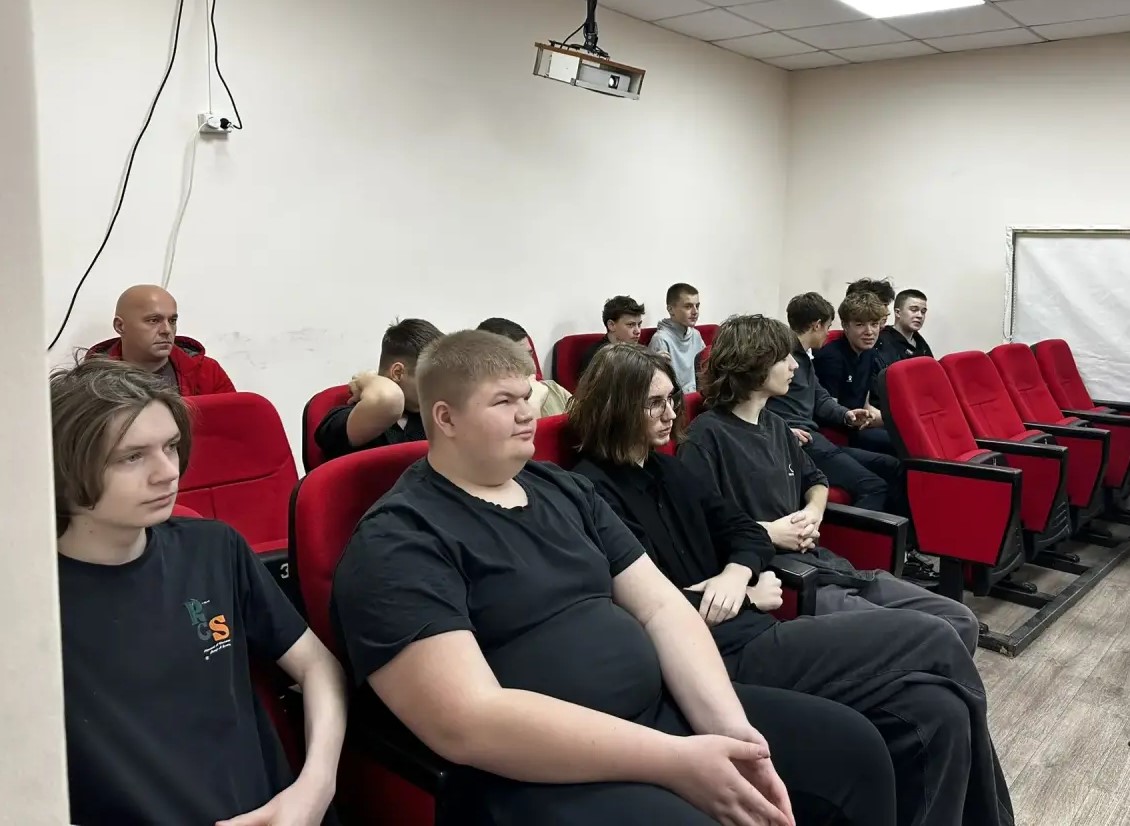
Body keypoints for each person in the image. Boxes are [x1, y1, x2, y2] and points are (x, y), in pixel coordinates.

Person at [332, 329, 898, 826]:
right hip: (539, 770)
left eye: (527, 396)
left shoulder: (564, 489)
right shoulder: (399, 539)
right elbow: (469, 720)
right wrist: (675, 761)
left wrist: (729, 732)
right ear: (446, 418)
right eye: (504, 401)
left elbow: (661, 607)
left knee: (852, 751)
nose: (528, 414)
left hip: (660, 716)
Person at [570, 343, 1014, 826]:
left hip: (753, 629)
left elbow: (744, 531)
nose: (671, 413)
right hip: (713, 658)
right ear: (616, 406)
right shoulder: (590, 492)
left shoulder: (665, 468)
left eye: (671, 399)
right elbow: (641, 605)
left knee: (939, 709)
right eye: (654, 403)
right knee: (938, 635)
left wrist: (735, 574)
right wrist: (745, 593)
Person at [50, 358, 347, 826]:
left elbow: (318, 667)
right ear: (64, 470)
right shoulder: (31, 603)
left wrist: (314, 788)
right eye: (132, 457)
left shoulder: (214, 549)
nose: (167, 472)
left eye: (170, 447)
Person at [682, 314, 976, 649]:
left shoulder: (775, 425)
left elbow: (817, 481)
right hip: (780, 575)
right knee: (933, 635)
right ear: (754, 364)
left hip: (825, 564)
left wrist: (813, 512)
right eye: (783, 358)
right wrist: (769, 532)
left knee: (960, 619)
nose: (794, 365)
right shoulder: (706, 435)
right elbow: (697, 528)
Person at [766, 293, 900, 515]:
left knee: (892, 466)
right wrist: (783, 431)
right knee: (874, 486)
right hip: (801, 441)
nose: (829, 333)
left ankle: (901, 535)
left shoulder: (804, 359)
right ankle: (858, 538)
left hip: (813, 438)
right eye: (828, 326)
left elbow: (821, 398)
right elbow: (760, 405)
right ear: (817, 325)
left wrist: (846, 415)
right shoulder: (783, 359)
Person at [314, 318, 443, 461]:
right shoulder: (340, 420)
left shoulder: (432, 420)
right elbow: (388, 399)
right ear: (398, 373)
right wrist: (367, 379)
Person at [86, 284, 235, 396]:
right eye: (153, 320)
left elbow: (235, 424)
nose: (167, 330)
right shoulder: (90, 381)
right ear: (120, 326)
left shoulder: (207, 372)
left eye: (172, 320)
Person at [813, 291, 893, 455]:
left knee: (906, 437)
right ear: (845, 326)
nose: (869, 331)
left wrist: (893, 420)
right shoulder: (831, 357)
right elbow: (829, 411)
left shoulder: (870, 353)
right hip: (839, 429)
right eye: (860, 324)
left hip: (859, 424)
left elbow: (866, 404)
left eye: (874, 324)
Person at [476, 317, 572, 417]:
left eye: (530, 354)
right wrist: (533, 403)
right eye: (517, 359)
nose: (531, 365)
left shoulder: (553, 389)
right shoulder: (484, 411)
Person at [648, 283, 705, 393]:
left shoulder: (696, 335)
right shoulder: (661, 339)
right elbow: (659, 385)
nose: (695, 312)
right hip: (678, 398)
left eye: (697, 306)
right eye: (688, 306)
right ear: (670, 310)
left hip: (700, 395)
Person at [577, 295, 645, 377]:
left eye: (639, 325)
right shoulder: (596, 357)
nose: (638, 331)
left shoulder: (640, 350)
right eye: (630, 325)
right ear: (611, 325)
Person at [876, 288, 933, 365]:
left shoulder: (920, 343)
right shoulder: (882, 340)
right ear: (897, 312)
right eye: (914, 310)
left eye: (923, 312)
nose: (920, 316)